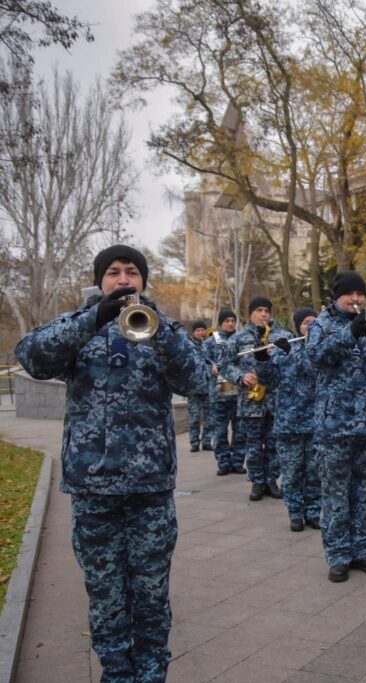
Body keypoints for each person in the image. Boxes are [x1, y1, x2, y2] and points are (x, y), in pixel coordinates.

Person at [16, 245, 208, 683]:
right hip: (93, 488)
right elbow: (31, 356)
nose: (123, 280)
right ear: (101, 281)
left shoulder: (165, 329)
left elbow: (199, 381)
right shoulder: (80, 326)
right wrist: (91, 319)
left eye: (132, 273)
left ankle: (152, 673)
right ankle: (117, 674)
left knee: (151, 594)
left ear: (144, 282)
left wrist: (159, 333)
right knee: (105, 596)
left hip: (150, 489)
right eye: (114, 273)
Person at [306, 272, 366, 582]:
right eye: (350, 294)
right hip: (334, 428)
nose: (356, 299)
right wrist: (350, 333)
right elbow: (315, 357)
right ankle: (339, 554)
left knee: (362, 492)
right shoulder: (322, 325)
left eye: (360, 294)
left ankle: (362, 550)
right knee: (336, 494)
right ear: (337, 297)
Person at [256, 307, 321, 532]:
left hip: (315, 423)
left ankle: (313, 512)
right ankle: (295, 513)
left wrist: (292, 351)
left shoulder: (320, 350)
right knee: (292, 473)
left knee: (315, 472)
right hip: (289, 423)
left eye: (314, 322)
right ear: (297, 327)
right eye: (305, 323)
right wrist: (262, 359)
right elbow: (269, 380)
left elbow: (312, 371)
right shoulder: (285, 349)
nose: (310, 326)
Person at [222, 297, 291, 501]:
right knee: (252, 444)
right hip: (250, 401)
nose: (263, 314)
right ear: (250, 314)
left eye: (267, 311)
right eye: (259, 310)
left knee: (273, 444)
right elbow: (225, 365)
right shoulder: (238, 338)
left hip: (275, 400)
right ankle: (256, 482)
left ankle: (271, 480)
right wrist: (241, 377)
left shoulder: (282, 336)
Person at [204, 310, 242, 476]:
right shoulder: (210, 342)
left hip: (238, 394)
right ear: (220, 323)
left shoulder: (241, 340)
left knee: (240, 431)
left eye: (233, 320)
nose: (230, 323)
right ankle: (223, 462)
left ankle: (238, 461)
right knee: (219, 431)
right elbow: (202, 362)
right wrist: (210, 367)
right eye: (227, 320)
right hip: (218, 395)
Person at [187, 320, 212, 452]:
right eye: (198, 330)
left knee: (209, 417)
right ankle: (194, 442)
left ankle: (207, 441)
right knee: (194, 418)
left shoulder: (208, 344)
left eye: (202, 330)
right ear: (193, 332)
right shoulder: (188, 345)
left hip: (208, 386)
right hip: (194, 388)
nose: (201, 332)